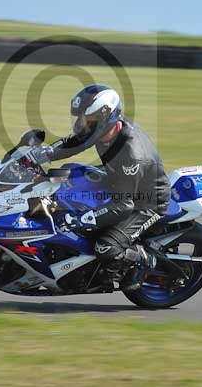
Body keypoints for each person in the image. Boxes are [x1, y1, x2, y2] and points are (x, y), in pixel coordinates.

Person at [34, 84, 170, 291]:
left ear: (106, 118)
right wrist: (44, 154)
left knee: (105, 247)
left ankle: (140, 262)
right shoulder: (104, 129)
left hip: (146, 203)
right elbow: (75, 142)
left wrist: (84, 219)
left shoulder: (131, 155)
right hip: (117, 180)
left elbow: (124, 205)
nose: (81, 125)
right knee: (67, 176)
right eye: (79, 118)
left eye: (87, 120)